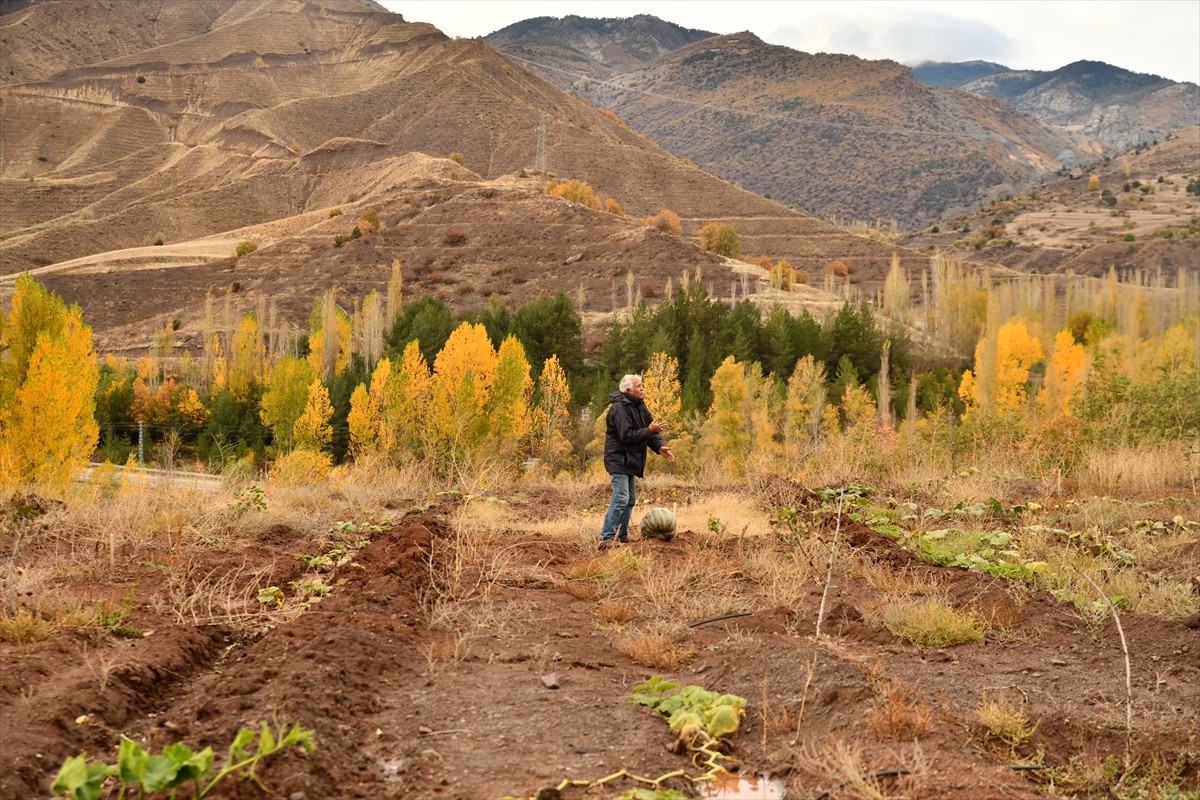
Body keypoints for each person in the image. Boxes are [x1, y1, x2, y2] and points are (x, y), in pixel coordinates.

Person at [598, 373, 675, 548]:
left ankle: (621, 536)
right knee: (621, 498)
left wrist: (659, 447)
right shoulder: (619, 408)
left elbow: (650, 431)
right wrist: (649, 430)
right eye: (639, 386)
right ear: (628, 389)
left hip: (630, 460)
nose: (642, 388)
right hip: (618, 459)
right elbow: (626, 436)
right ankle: (606, 538)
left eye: (642, 385)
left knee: (630, 500)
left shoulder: (640, 405)